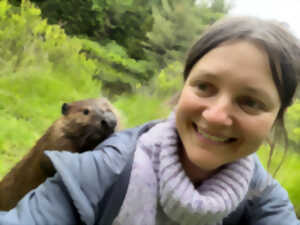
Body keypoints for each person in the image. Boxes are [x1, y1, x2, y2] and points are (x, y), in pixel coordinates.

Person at [0, 16, 300, 225]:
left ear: (277, 117)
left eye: (251, 102)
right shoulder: (104, 172)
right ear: (184, 85)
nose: (216, 116)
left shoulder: (264, 196)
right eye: (204, 86)